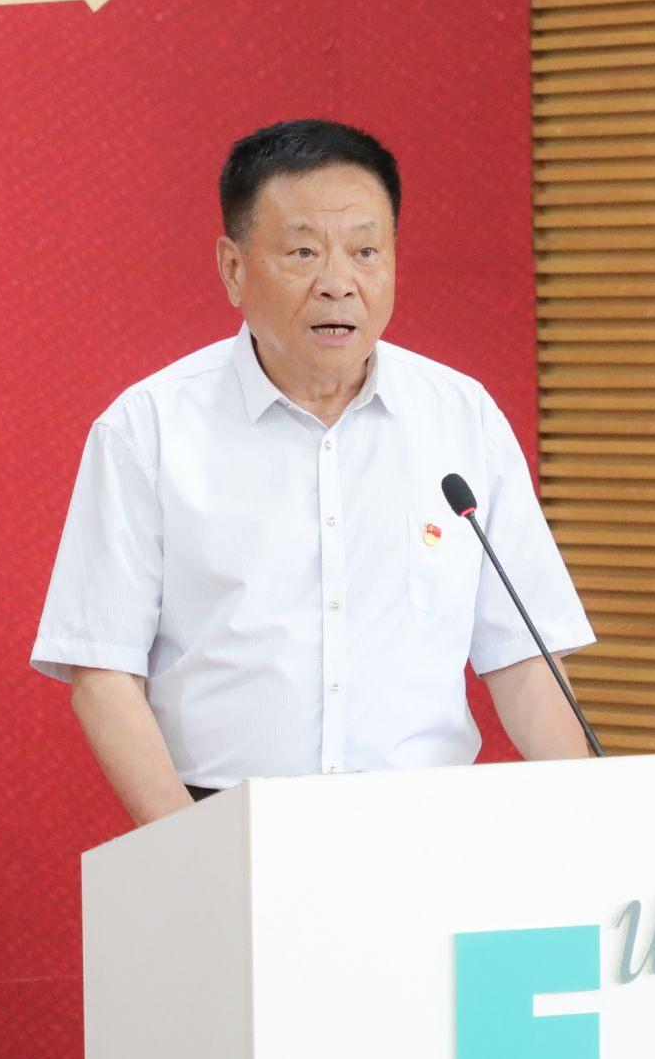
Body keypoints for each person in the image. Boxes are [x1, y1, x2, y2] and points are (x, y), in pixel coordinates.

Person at [31, 119, 595, 825]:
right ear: (233, 268)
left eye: (365, 251)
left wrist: (589, 819)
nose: (338, 285)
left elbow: (523, 657)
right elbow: (103, 671)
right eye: (302, 251)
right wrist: (192, 850)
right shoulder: (147, 428)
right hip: (222, 820)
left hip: (430, 825)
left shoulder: (462, 417)